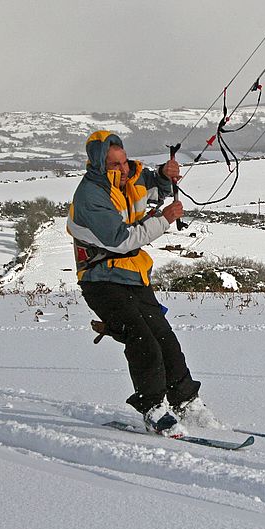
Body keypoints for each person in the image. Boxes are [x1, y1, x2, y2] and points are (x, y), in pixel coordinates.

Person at [67, 130, 202, 435]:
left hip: (133, 275)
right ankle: (154, 408)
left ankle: (187, 403)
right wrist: (164, 219)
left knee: (165, 338)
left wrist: (165, 176)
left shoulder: (131, 179)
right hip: (100, 280)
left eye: (124, 161)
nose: (123, 168)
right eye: (115, 164)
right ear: (100, 164)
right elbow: (122, 240)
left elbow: (153, 187)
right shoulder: (91, 196)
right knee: (142, 339)